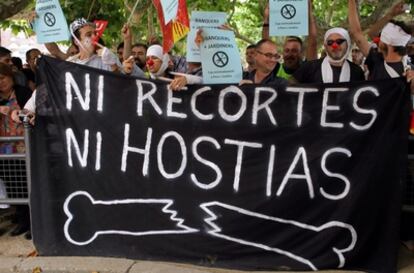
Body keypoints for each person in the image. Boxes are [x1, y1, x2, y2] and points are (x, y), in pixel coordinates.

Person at [0, 63, 32, 239]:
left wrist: (15, 112)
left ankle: (34, 224)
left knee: (29, 186)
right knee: (13, 188)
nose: (1, 83)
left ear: (10, 77)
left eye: (3, 78)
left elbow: (31, 113)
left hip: (23, 147)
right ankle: (22, 222)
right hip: (4, 150)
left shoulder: (23, 92)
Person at [292, 27, 365, 84]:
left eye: (339, 41)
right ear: (325, 46)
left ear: (347, 44)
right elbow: (288, 88)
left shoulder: (357, 72)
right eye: (330, 42)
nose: (335, 45)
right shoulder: (309, 68)